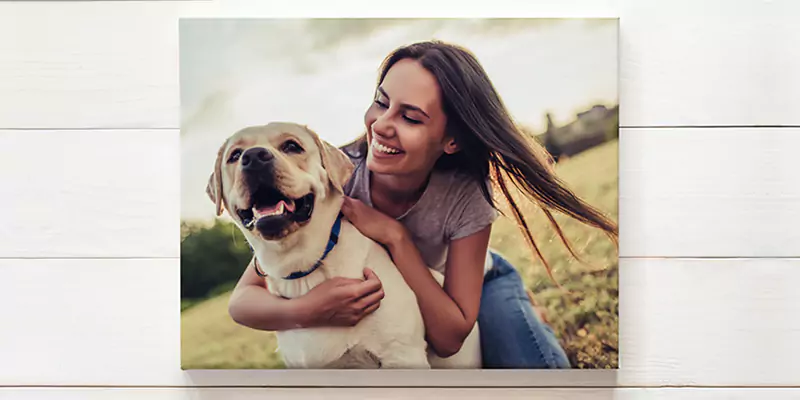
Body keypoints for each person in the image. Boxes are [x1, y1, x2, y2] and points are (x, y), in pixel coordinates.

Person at [227, 40, 618, 369]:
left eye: (410, 117)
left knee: (537, 376)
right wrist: (308, 310)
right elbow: (244, 299)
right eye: (381, 102)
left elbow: (448, 337)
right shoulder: (335, 177)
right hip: (415, 308)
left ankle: (525, 310)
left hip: (478, 285)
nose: (381, 125)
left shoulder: (466, 192)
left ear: (451, 140)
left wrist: (396, 237)